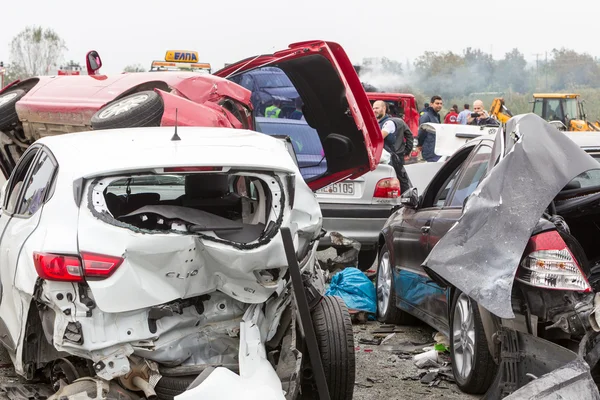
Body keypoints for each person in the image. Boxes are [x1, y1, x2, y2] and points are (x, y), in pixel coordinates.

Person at [373, 100, 413, 193]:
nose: (374, 110)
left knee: (400, 183)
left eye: (377, 108)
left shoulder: (388, 123)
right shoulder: (380, 123)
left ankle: (407, 202)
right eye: (373, 108)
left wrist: (406, 151)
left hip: (393, 159)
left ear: (384, 108)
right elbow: (409, 135)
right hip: (389, 158)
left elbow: (378, 138)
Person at [417, 95, 443, 162]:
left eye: (441, 104)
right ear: (431, 104)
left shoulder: (437, 116)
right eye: (437, 103)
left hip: (436, 149)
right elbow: (421, 131)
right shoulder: (426, 116)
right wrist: (420, 144)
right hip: (429, 149)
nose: (439, 105)